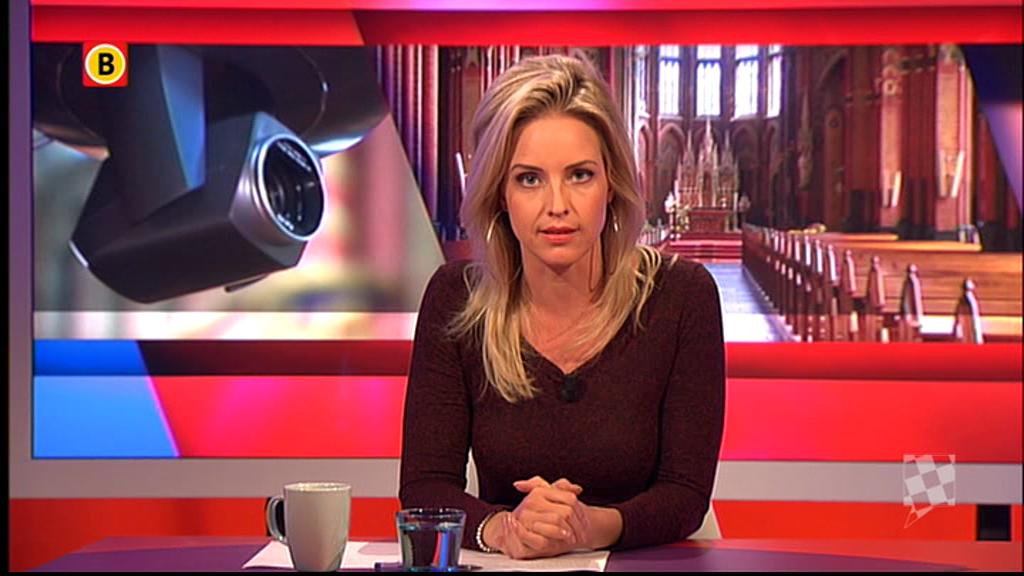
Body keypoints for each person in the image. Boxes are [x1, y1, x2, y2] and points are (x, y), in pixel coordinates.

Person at [399, 54, 725, 559]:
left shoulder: (681, 296)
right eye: (529, 179)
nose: (557, 206)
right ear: (499, 193)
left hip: (644, 561)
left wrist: (587, 527)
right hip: (512, 566)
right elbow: (425, 486)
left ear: (611, 184)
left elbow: (684, 495)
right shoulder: (455, 299)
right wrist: (503, 528)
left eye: (580, 175)